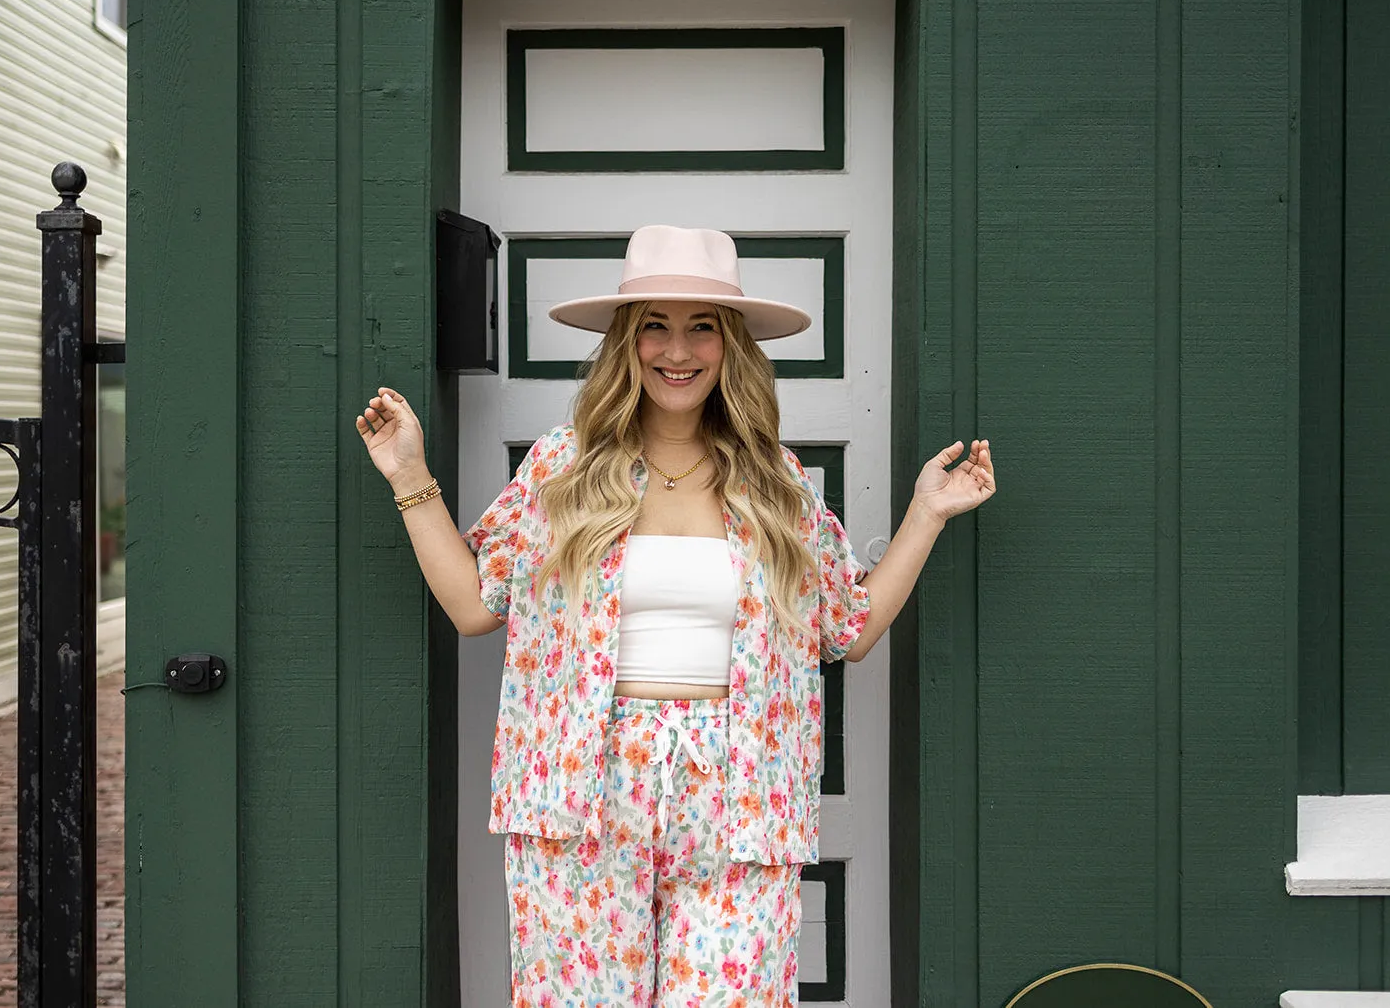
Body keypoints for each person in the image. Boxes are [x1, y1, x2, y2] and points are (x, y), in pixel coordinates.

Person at [355, 225, 995, 1007]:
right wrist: (409, 473)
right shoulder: (566, 466)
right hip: (582, 797)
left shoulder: (776, 483)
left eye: (703, 327)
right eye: (655, 324)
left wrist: (926, 513)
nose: (677, 349)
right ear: (627, 341)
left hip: (741, 799)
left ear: (733, 347)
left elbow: (848, 629)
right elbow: (470, 603)